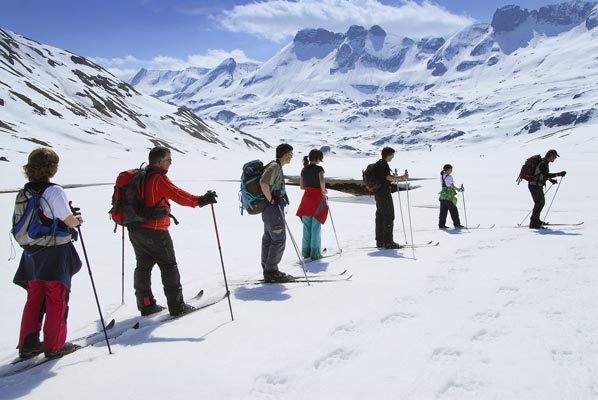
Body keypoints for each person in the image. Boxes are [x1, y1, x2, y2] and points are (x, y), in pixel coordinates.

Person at [128, 146, 218, 317]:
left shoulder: (140, 176)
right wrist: (200, 200)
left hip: (136, 229)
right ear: (160, 162)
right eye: (169, 160)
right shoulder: (158, 178)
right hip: (155, 231)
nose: (171, 163)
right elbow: (178, 195)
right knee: (169, 266)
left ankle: (146, 305)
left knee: (143, 267)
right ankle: (177, 307)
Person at [13, 148, 83, 359]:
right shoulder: (53, 191)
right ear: (51, 167)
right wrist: (77, 220)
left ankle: (28, 344)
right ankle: (55, 346)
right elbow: (68, 220)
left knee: (34, 296)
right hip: (54, 251)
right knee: (56, 297)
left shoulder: (25, 191)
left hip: (32, 251)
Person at [259, 143, 294, 282]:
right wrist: (272, 200)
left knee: (269, 238)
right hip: (272, 209)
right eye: (290, 154)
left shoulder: (276, 166)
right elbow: (263, 183)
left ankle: (268, 269)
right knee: (278, 240)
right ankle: (271, 271)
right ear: (285, 154)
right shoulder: (274, 166)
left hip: (269, 210)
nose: (291, 157)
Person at [373, 147, 408, 249]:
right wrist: (401, 178)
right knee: (389, 216)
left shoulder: (378, 164)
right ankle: (388, 242)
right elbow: (387, 177)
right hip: (384, 193)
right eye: (392, 155)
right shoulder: (383, 164)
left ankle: (380, 241)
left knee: (380, 216)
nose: (393, 157)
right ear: (388, 155)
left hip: (378, 193)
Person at [296, 149, 329, 260]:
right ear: (317, 158)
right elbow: (322, 182)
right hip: (317, 199)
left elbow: (301, 186)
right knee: (316, 227)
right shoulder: (319, 169)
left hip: (306, 199)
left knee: (306, 227)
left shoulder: (304, 170)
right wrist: (323, 191)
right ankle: (315, 254)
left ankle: (306, 252)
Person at [528, 149, 566, 229]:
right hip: (534, 185)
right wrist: (558, 174)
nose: (555, 158)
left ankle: (536, 221)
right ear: (551, 155)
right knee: (539, 203)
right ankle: (533, 223)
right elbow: (546, 174)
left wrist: (551, 180)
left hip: (536, 185)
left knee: (540, 203)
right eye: (555, 157)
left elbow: (543, 175)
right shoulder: (543, 163)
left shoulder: (544, 162)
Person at [438, 164, 464, 229]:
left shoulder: (441, 176)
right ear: (448, 169)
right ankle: (457, 224)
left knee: (443, 211)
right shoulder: (449, 177)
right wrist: (459, 189)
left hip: (443, 195)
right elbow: (452, 186)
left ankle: (441, 225)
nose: (452, 170)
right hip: (449, 196)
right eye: (451, 169)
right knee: (453, 210)